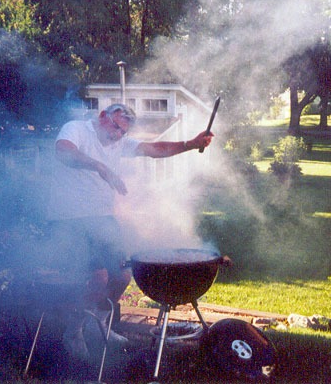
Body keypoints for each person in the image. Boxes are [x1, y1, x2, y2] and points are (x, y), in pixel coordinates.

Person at [46, 103, 213, 360]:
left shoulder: (120, 142)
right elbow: (63, 151)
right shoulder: (77, 129)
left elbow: (154, 149)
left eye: (123, 132)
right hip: (70, 218)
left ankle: (99, 323)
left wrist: (190, 144)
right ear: (103, 117)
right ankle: (74, 331)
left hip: (102, 218)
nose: (118, 136)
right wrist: (100, 166)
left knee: (122, 275)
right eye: (115, 128)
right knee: (99, 277)